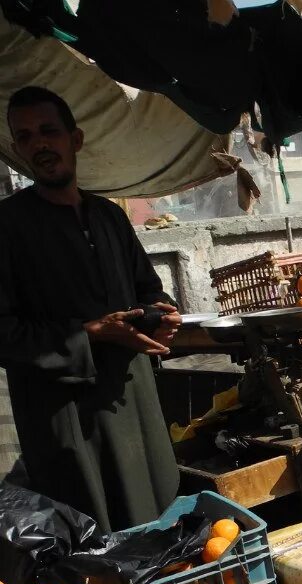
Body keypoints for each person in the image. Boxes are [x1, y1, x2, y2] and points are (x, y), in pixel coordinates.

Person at [0, 86, 180, 532]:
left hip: (133, 401)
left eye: (48, 131)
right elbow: (4, 333)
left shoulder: (109, 217)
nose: (39, 144)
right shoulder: (7, 226)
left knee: (157, 522)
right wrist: (90, 332)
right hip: (66, 420)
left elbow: (148, 290)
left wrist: (162, 314)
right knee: (92, 540)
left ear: (74, 139)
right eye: (24, 138)